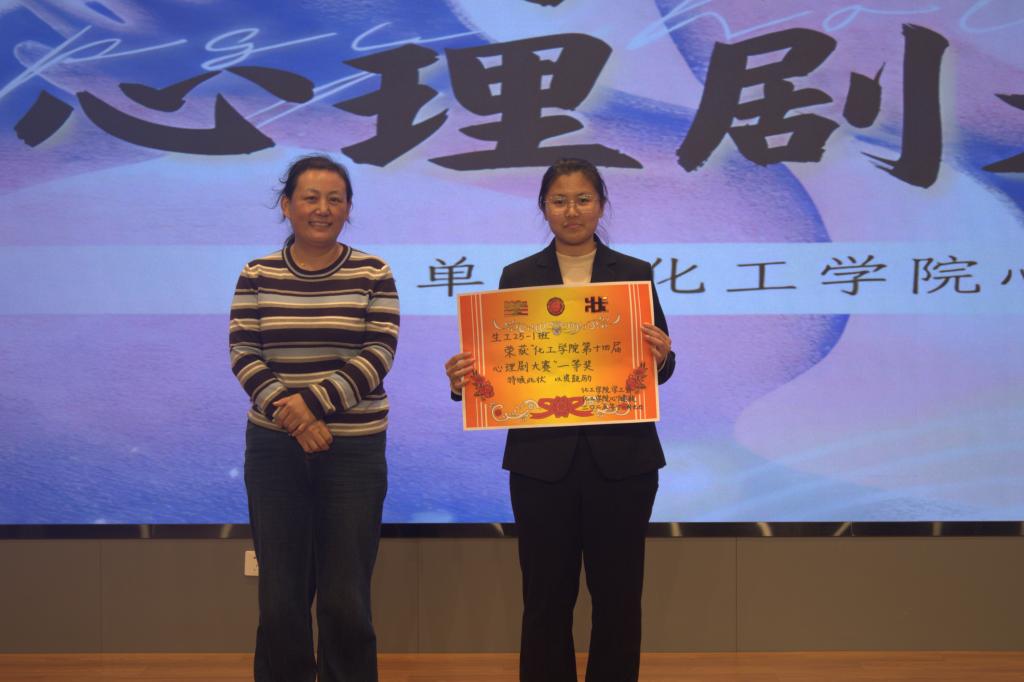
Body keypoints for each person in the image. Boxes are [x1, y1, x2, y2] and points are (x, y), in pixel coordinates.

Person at [444, 158, 675, 682]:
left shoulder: (634, 275)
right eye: (560, 201)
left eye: (583, 199)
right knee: (545, 599)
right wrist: (464, 382)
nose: (572, 211)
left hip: (623, 463)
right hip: (541, 465)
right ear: (544, 208)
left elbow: (658, 369)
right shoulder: (518, 277)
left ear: (601, 205)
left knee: (619, 598)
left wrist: (662, 356)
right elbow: (502, 366)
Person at [229, 155, 399, 682]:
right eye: (310, 198)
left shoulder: (373, 273)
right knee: (280, 597)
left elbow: (379, 353)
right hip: (275, 452)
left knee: (347, 597)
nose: (323, 209)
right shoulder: (257, 273)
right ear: (287, 205)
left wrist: (312, 405)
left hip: (354, 452)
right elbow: (243, 353)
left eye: (335, 199)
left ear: (347, 208)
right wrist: (295, 417)